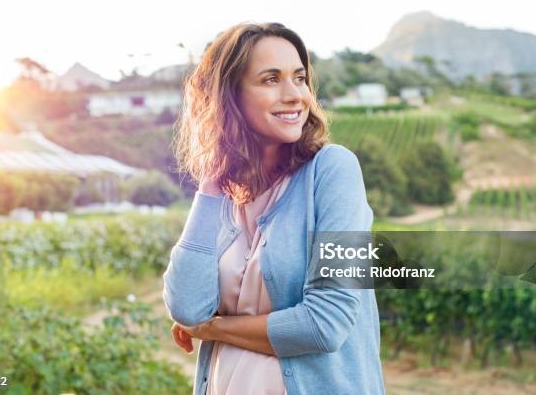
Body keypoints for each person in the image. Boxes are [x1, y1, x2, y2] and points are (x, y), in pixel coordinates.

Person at [163, 22, 385, 395]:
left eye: (299, 78)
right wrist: (212, 182)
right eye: (270, 79)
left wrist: (214, 328)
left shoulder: (333, 171)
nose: (295, 94)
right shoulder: (223, 197)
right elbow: (187, 307)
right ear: (229, 97)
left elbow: (325, 324)